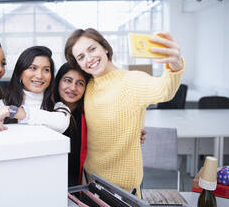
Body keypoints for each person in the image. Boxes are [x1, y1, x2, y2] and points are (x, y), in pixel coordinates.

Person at [64, 28, 184, 196]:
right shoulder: (87, 86)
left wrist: (175, 65)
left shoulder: (132, 81)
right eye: (81, 57)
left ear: (105, 48)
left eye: (92, 49)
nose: (89, 58)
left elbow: (165, 90)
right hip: (90, 181)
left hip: (123, 190)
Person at [54, 63, 147, 187]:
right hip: (51, 179)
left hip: (81, 185)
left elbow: (109, 133)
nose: (73, 88)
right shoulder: (48, 112)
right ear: (58, 82)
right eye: (67, 80)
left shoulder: (90, 114)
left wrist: (131, 134)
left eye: (80, 83)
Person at [0, 45, 70, 133]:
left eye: (46, 70)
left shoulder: (58, 107)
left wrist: (15, 112)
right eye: (33, 68)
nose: (39, 75)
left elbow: (61, 124)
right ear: (20, 72)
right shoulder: (2, 105)